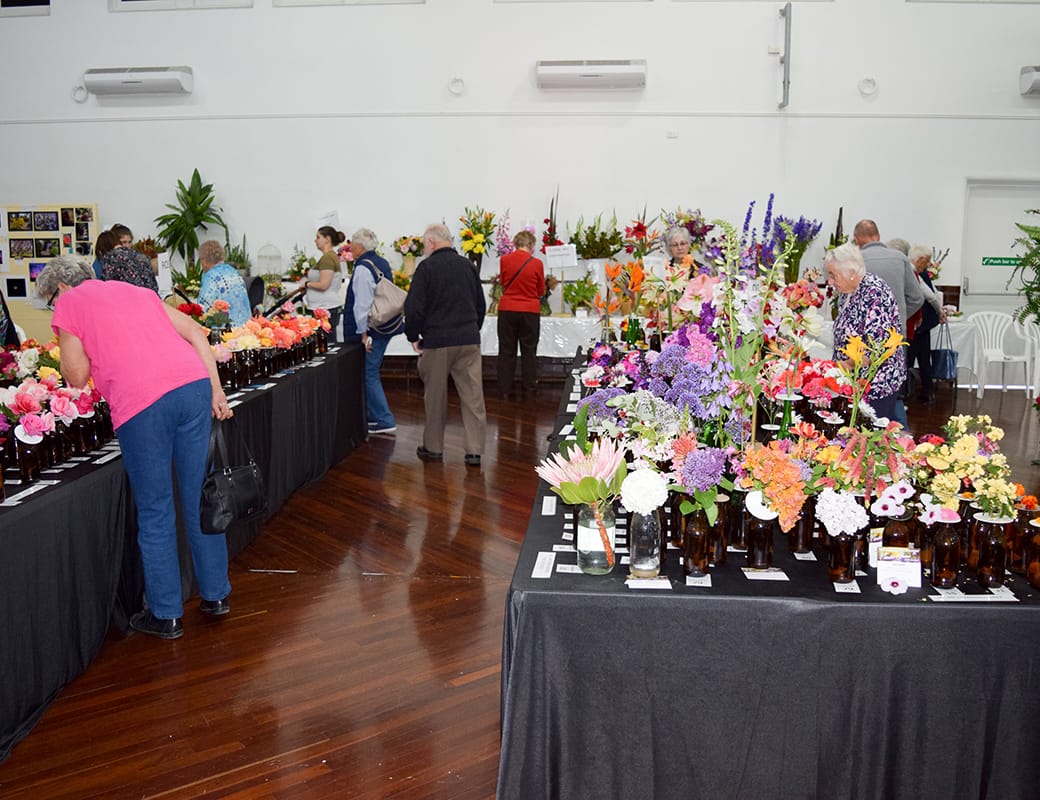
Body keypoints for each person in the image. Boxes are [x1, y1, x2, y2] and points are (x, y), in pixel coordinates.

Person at [41, 255, 234, 640]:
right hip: (192, 386)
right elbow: (195, 331)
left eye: (48, 304)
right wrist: (215, 388)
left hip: (143, 403)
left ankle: (166, 614)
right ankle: (215, 595)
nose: (53, 311)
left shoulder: (69, 303)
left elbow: (77, 376)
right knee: (199, 496)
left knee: (156, 509)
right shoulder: (134, 290)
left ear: (60, 289)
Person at [404, 224, 487, 466]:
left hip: (438, 341)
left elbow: (414, 307)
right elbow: (480, 305)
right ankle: (474, 451)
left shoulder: (426, 268)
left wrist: (413, 336)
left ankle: (434, 447)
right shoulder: (468, 266)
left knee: (435, 396)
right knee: (473, 397)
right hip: (468, 339)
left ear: (430, 243)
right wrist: (471, 329)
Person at [825, 243, 907, 427]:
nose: (830, 281)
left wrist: (841, 367)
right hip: (855, 380)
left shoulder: (874, 292)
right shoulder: (848, 291)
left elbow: (874, 349)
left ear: (852, 272)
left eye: (833, 275)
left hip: (876, 383)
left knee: (869, 436)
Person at [346, 227, 400, 435]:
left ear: (359, 246)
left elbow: (362, 304)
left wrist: (362, 333)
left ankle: (383, 418)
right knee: (371, 371)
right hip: (385, 326)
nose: (350, 247)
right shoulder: (381, 262)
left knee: (369, 373)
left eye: (352, 243)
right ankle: (374, 416)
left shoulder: (362, 268)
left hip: (371, 330)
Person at [853, 220, 924, 337]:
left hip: (864, 335)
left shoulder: (854, 261)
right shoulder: (900, 258)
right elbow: (917, 298)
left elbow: (845, 303)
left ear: (856, 239)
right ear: (879, 236)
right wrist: (898, 315)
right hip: (895, 333)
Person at [496, 230, 545, 398]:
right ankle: (529, 387)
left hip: (507, 308)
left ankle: (504, 389)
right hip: (530, 311)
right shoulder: (537, 263)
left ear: (515, 244)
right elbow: (540, 290)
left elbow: (503, 282)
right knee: (529, 351)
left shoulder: (504, 260)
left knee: (506, 350)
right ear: (531, 245)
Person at [907, 244, 947, 403]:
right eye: (927, 261)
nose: (928, 265)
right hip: (920, 323)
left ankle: (909, 393)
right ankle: (926, 392)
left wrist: (940, 311)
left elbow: (930, 295)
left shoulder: (914, 271)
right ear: (920, 259)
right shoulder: (914, 271)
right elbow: (931, 296)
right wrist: (940, 312)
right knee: (922, 357)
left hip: (917, 323)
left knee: (911, 358)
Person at [196, 239, 252, 327]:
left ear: (204, 261)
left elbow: (203, 307)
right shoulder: (234, 272)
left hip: (225, 332)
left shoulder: (210, 276)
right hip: (246, 328)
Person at [304, 226, 345, 341]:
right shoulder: (328, 257)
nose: (315, 240)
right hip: (324, 306)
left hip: (326, 307)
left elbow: (324, 285)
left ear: (327, 239)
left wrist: (307, 284)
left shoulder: (328, 258)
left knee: (327, 343)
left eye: (318, 237)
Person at [101, 225, 159, 293]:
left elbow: (107, 287)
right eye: (124, 242)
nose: (127, 246)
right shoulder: (141, 256)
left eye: (130, 242)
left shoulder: (111, 258)